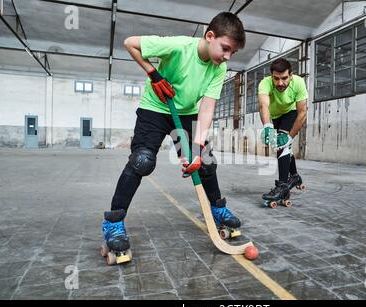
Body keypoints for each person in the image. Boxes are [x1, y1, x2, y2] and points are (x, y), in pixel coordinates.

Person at [101, 12, 246, 256]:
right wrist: (153, 74)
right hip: (155, 109)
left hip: (186, 113)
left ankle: (217, 208)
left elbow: (207, 107)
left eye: (232, 52)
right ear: (210, 36)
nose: (227, 56)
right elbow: (130, 43)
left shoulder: (218, 67)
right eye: (225, 48)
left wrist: (198, 150)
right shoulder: (179, 46)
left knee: (206, 163)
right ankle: (113, 222)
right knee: (142, 161)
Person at [258, 58, 308, 203]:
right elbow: (263, 106)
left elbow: (302, 113)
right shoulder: (265, 83)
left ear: (291, 75)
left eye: (284, 78)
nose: (280, 83)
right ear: (271, 76)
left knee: (282, 143)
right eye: (276, 79)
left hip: (290, 112)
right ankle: (294, 176)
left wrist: (290, 137)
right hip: (273, 115)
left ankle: (282, 187)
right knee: (280, 146)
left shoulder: (298, 83)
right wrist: (267, 126)